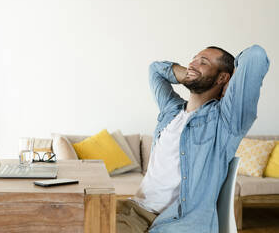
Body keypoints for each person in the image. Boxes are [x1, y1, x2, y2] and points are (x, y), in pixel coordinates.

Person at [116, 45, 270, 233]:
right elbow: (155, 70)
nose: (192, 63)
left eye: (203, 62)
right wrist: (188, 74)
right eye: (193, 59)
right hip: (135, 211)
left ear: (222, 78)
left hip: (178, 222)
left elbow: (255, 56)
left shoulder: (225, 121)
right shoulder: (171, 110)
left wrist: (232, 78)